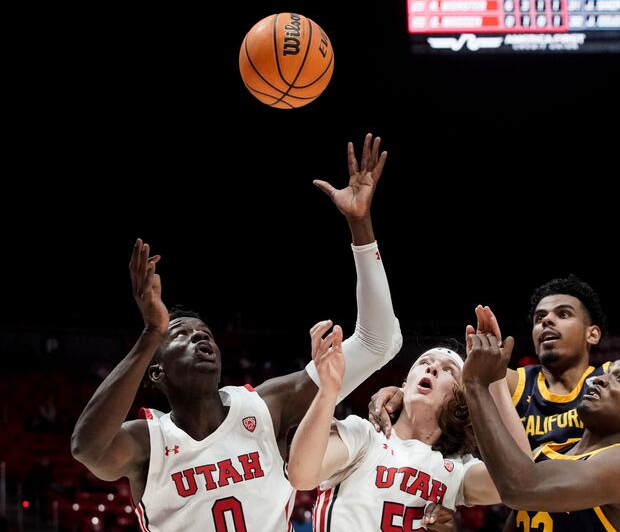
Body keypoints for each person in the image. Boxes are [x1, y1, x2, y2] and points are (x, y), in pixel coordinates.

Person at [70, 133, 402, 531]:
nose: (200, 337)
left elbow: (378, 342)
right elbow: (87, 448)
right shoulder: (148, 442)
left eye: (205, 333)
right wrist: (151, 333)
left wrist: (360, 225)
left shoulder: (267, 407)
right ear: (157, 372)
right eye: (180, 335)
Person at [371, 277, 620, 509]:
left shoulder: (618, 396)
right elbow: (454, 390)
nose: (547, 323)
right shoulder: (513, 383)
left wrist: (605, 492)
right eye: (540, 318)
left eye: (563, 315)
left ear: (593, 334)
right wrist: (399, 394)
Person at [286, 330, 528, 530]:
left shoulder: (457, 470)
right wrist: (328, 391)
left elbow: (522, 481)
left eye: (448, 371)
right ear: (404, 385)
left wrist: (493, 379)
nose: (432, 369)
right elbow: (302, 475)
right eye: (424, 363)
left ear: (462, 401)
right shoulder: (365, 435)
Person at [463, 330, 620, 532]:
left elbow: (519, 489)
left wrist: (477, 384)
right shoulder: (546, 453)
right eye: (606, 373)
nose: (599, 379)